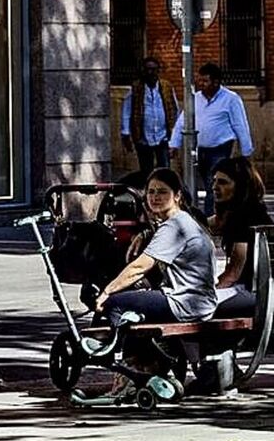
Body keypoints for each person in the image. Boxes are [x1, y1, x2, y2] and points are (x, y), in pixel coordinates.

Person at [96, 167, 216, 327]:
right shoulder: (181, 220)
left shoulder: (175, 226)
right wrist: (145, 234)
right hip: (196, 301)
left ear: (177, 196)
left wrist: (107, 291)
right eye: (151, 192)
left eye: (162, 192)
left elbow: (139, 267)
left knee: (114, 304)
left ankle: (125, 350)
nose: (155, 197)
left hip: (185, 303)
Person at [170, 63, 253, 215]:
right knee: (194, 184)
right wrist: (174, 143)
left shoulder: (231, 99)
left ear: (216, 82)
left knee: (212, 185)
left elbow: (240, 124)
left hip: (220, 149)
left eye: (205, 81)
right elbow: (183, 121)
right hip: (199, 149)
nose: (201, 84)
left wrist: (246, 151)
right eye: (199, 81)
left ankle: (212, 217)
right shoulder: (195, 99)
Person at [210, 156, 272, 309]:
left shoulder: (245, 217)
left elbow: (232, 274)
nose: (214, 187)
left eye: (223, 182)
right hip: (257, 291)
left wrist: (208, 292)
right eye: (214, 181)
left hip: (255, 294)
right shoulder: (249, 211)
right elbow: (204, 223)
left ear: (240, 186)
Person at [120, 57, 178, 178]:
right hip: (143, 137)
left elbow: (174, 109)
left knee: (165, 170)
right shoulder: (136, 88)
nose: (150, 73)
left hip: (163, 136)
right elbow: (126, 111)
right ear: (143, 71)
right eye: (148, 70)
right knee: (147, 171)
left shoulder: (167, 87)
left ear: (158, 71)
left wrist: (175, 136)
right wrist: (125, 133)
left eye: (154, 70)